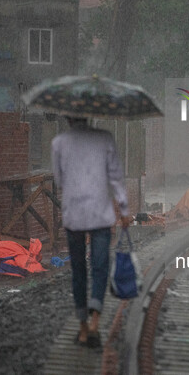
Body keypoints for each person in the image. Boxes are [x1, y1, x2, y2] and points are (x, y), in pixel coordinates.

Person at [51, 117, 132, 349]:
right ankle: (96, 321)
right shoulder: (104, 138)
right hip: (100, 214)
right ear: (90, 115)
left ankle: (83, 328)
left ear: (67, 117)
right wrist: (124, 209)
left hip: (74, 215)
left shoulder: (59, 143)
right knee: (99, 267)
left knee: (78, 270)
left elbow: (59, 179)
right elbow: (116, 178)